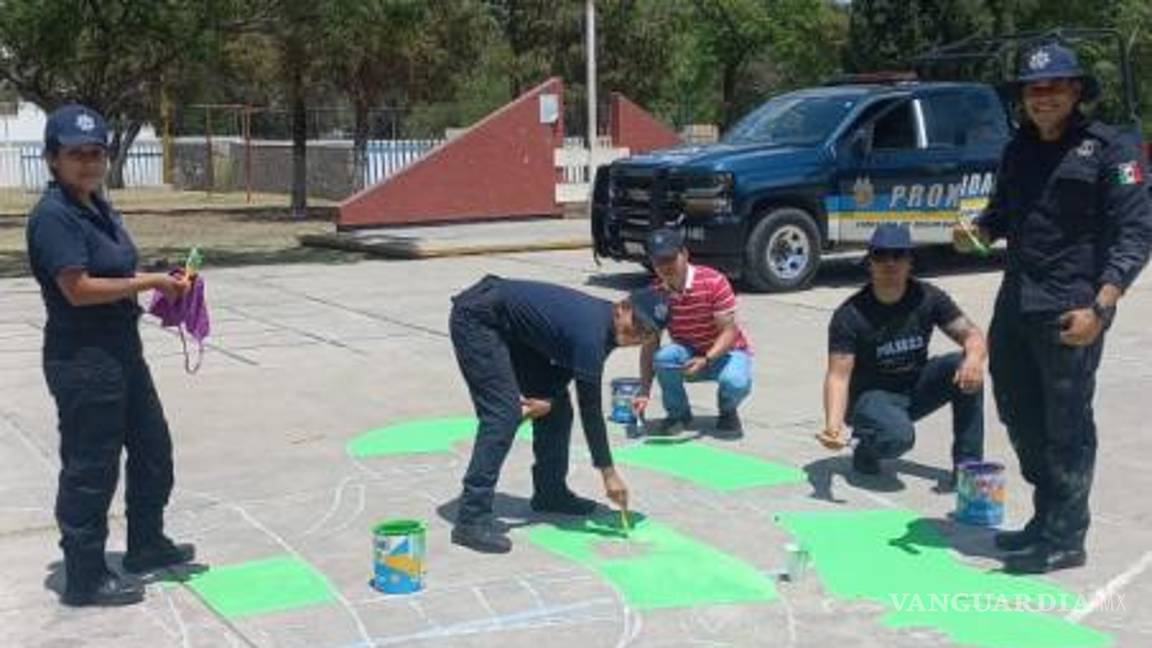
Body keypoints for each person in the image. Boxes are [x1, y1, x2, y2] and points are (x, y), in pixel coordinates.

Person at [954, 43, 1152, 573]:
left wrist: (1102, 308)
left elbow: (1135, 236)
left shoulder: (1113, 149)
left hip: (1072, 309)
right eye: (1033, 89)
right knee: (1019, 415)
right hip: (1016, 304)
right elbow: (1001, 215)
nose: (1042, 97)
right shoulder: (1017, 150)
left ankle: (1067, 537)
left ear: (1076, 91)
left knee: (1066, 425)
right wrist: (977, 230)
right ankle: (1046, 518)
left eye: (1054, 87)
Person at [26, 105, 196, 607]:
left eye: (96, 153)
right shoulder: (53, 215)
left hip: (122, 349)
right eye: (75, 154)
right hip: (83, 356)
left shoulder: (96, 204)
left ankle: (145, 544)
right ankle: (84, 574)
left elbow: (113, 266)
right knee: (91, 466)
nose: (88, 163)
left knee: (152, 451)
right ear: (52, 159)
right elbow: (77, 288)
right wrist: (150, 282)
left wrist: (160, 274)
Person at [448, 275, 668, 553]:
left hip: (512, 328)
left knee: (558, 410)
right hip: (478, 318)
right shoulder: (592, 333)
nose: (636, 335)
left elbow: (566, 359)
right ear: (622, 308)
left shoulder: (608, 330)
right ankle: (470, 518)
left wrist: (548, 398)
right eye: (636, 324)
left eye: (646, 334)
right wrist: (609, 474)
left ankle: (550, 493)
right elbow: (591, 410)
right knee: (503, 414)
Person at [817, 224, 987, 483]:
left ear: (910, 262)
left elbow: (972, 335)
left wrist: (974, 358)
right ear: (869, 263)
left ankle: (968, 470)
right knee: (898, 437)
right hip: (869, 399)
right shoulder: (849, 315)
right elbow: (838, 377)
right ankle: (866, 446)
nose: (890, 263)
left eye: (898, 255)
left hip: (914, 386)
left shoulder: (928, 298)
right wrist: (833, 426)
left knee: (966, 367)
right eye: (880, 256)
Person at [633, 227, 752, 436]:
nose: (665, 266)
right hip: (688, 353)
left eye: (670, 258)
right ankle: (678, 414)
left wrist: (706, 359)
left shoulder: (713, 281)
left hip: (727, 352)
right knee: (663, 357)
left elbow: (729, 332)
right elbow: (649, 346)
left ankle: (727, 409)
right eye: (658, 261)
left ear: (685, 254)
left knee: (736, 381)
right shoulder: (655, 294)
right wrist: (644, 391)